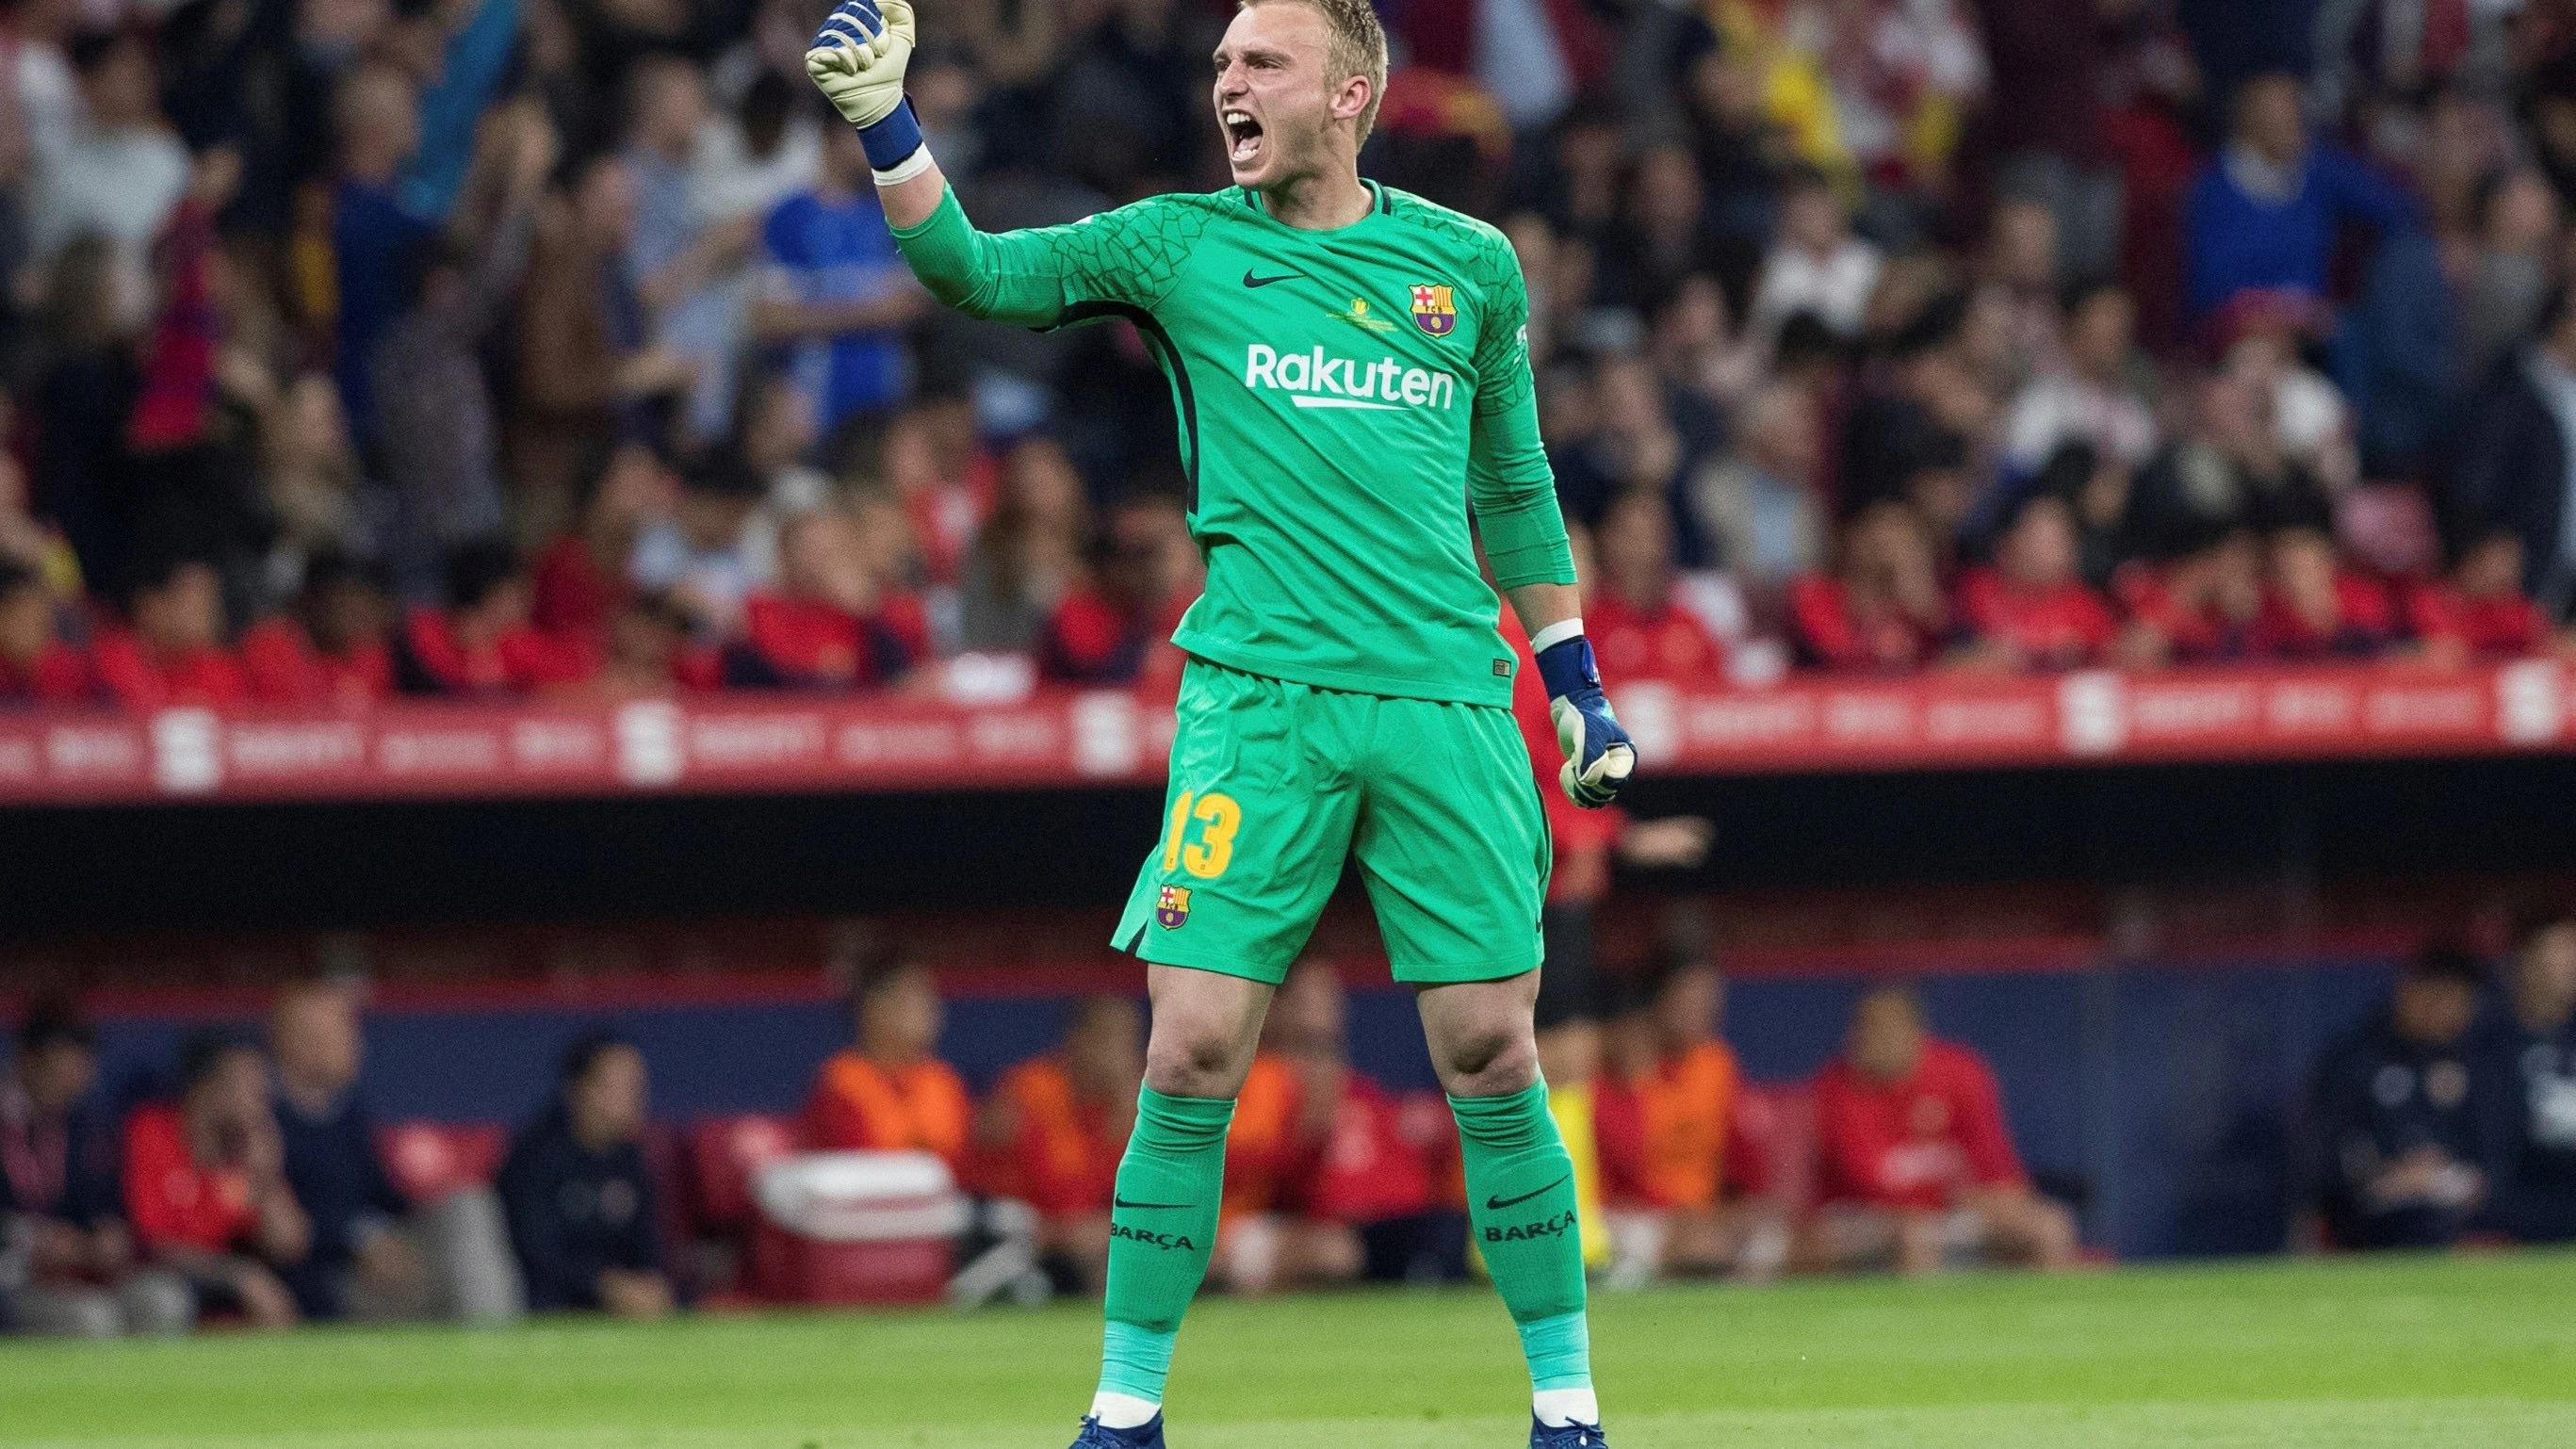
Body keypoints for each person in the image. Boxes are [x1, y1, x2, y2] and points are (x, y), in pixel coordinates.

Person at [807, 0, 1631, 1441]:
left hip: (1447, 699)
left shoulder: (1467, 268)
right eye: (1221, 66)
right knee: (1187, 1047)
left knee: (1494, 1053)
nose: (1227, 85)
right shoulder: (1176, 244)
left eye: (1261, 64)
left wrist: (1572, 679)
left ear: (1352, 91)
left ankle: (1564, 1406)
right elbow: (974, 274)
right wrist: (889, 122)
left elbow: (1511, 488)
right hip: (1255, 707)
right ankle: (1123, 1414)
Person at [269, 982, 518, 1323]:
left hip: (382, 1246)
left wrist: (412, 1213)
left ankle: (496, 1336)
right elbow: (282, 1227)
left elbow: (378, 1194)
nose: (354, 1044)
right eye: (339, 1032)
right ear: (297, 1041)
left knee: (468, 1203)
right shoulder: (263, 1116)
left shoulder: (347, 1108)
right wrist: (360, 1240)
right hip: (329, 1273)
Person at [1799, 986, 2077, 1276]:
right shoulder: (1836, 1088)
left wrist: (2000, 1204)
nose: (1868, 1040)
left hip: (1952, 1212)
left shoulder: (1961, 1073)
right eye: (1863, 1029)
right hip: (1864, 1218)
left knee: (2050, 1225)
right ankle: (1918, 1321)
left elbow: (1999, 1173)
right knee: (1914, 1236)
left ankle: (2044, 1320)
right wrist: (1953, 1199)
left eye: (1883, 1028)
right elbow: (1872, 1186)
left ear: (1914, 1033)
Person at [1215, 961, 1437, 1295]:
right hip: (1232, 1228)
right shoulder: (1247, 1077)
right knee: (1332, 1253)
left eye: (1332, 996)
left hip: (1344, 1228)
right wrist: (1304, 1138)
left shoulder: (1351, 1085)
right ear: (1277, 1004)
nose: (1327, 1008)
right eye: (1310, 997)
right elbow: (1238, 1173)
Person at [2, 999, 189, 1337]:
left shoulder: (85, 1125)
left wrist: (110, 1233)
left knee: (164, 1300)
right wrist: (31, 1242)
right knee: (91, 1319)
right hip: (13, 1278)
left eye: (81, 1069)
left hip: (82, 1273)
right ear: (27, 1061)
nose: (74, 1082)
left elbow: (103, 1202)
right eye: (62, 1069)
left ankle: (157, 1392)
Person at [1592, 953, 1773, 1285]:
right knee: (1693, 1247)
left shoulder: (1717, 1063)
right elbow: (1624, 1163)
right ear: (1659, 1002)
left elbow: (1741, 1158)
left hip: (1702, 1216)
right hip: (1632, 1215)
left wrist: (1740, 1206)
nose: (1699, 1011)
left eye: (1708, 1001)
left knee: (1767, 1237)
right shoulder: (1625, 1066)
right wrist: (1633, 1088)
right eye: (1687, 999)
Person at [2182, 73, 2418, 323]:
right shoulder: (2213, 191)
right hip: (2243, 332)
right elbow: (2210, 287)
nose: (2293, 121)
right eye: (2279, 113)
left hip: (2314, 333)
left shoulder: (2318, 170)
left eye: (2295, 110)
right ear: (2249, 121)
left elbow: (2392, 207)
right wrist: (2277, 313)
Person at [2307, 949, 2492, 1250]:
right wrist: (2390, 1176)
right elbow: (2323, 1162)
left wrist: (2451, 1174)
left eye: (2460, 1004)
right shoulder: (2355, 1061)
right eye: (2440, 999)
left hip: (2462, 1219)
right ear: (2409, 990)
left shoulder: (2477, 1062)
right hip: (2373, 1225)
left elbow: (2494, 1157)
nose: (2449, 1014)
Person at [122, 1034, 310, 1328]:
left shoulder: (243, 1150)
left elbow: (289, 1245)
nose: (261, 1096)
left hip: (224, 1283)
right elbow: (153, 1243)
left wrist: (267, 1176)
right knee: (167, 1299)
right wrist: (238, 1276)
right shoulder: (152, 1131)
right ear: (206, 1088)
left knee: (300, 1293)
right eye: (248, 1083)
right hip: (161, 1278)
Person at [496, 1034, 673, 1318]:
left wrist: (649, 1284)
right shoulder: (534, 1156)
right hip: (544, 1310)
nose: (635, 1097)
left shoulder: (630, 1160)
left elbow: (648, 1246)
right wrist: (605, 1285)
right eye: (619, 1086)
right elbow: (534, 1253)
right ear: (579, 1088)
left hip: (621, 1309)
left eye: (637, 1085)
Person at [978, 997, 1146, 1291]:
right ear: (1076, 1039)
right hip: (1015, 1237)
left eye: (1129, 1041)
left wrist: (1122, 1119)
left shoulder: (1127, 1107)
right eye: (1108, 1039)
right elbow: (1012, 1187)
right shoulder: (1029, 1091)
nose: (1120, 1055)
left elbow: (1129, 1196)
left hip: (1082, 1244)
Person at [802, 952, 971, 1171]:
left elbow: (965, 1168)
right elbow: (849, 1173)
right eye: (914, 998)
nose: (931, 1010)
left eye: (931, 999)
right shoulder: (839, 1084)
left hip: (942, 1202)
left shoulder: (944, 1080)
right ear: (874, 1007)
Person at [2476, 910, 2576, 1243]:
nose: (2570, 965)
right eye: (2558, 952)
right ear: (2524, 960)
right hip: (2517, 1193)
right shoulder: (2485, 1038)